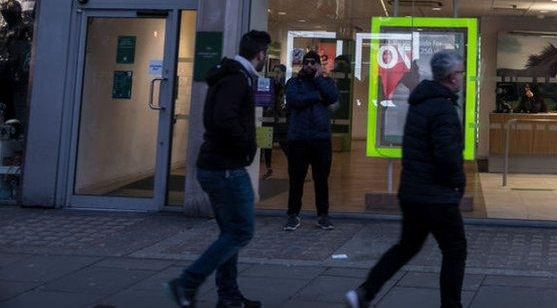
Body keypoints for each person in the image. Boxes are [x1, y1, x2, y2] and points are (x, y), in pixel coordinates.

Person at [345, 50, 467, 308]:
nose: (462, 77)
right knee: (455, 250)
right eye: (460, 72)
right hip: (437, 195)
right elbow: (447, 155)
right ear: (450, 76)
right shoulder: (443, 108)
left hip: (413, 192)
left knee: (407, 246)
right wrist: (457, 184)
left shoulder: (420, 102)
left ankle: (364, 292)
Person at [166, 30, 271, 308]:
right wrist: (247, 144)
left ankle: (228, 295)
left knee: (230, 233)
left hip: (218, 164)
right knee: (241, 231)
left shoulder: (230, 75)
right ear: (261, 53)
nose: (265, 58)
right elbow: (223, 118)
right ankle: (187, 282)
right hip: (226, 167)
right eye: (265, 53)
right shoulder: (236, 79)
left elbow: (216, 117)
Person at [283, 51, 340, 231]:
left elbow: (332, 97)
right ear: (301, 64)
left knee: (321, 179)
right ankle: (293, 215)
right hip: (298, 138)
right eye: (306, 62)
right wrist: (316, 96)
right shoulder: (293, 83)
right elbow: (294, 101)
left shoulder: (326, 82)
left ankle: (323, 215)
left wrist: (318, 80)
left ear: (317, 65)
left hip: (320, 138)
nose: (308, 65)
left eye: (312, 63)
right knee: (296, 179)